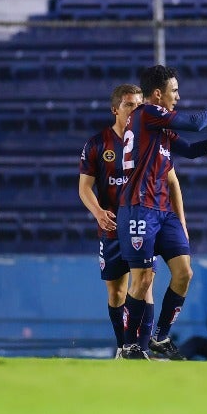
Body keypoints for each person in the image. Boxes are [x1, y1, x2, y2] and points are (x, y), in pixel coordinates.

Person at [116, 65, 207, 359]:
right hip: (139, 207)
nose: (177, 96)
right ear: (157, 94)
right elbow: (195, 123)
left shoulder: (158, 128)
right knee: (142, 279)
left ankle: (160, 337)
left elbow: (191, 149)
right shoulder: (146, 113)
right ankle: (128, 345)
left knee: (183, 272)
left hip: (162, 210)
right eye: (174, 91)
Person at [78, 84, 159, 358]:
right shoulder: (98, 144)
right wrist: (99, 212)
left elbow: (168, 180)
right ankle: (123, 345)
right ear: (115, 109)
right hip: (111, 226)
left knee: (145, 283)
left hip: (142, 222)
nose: (135, 110)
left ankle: (142, 348)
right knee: (116, 293)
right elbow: (84, 187)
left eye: (139, 104)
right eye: (129, 105)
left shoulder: (148, 140)